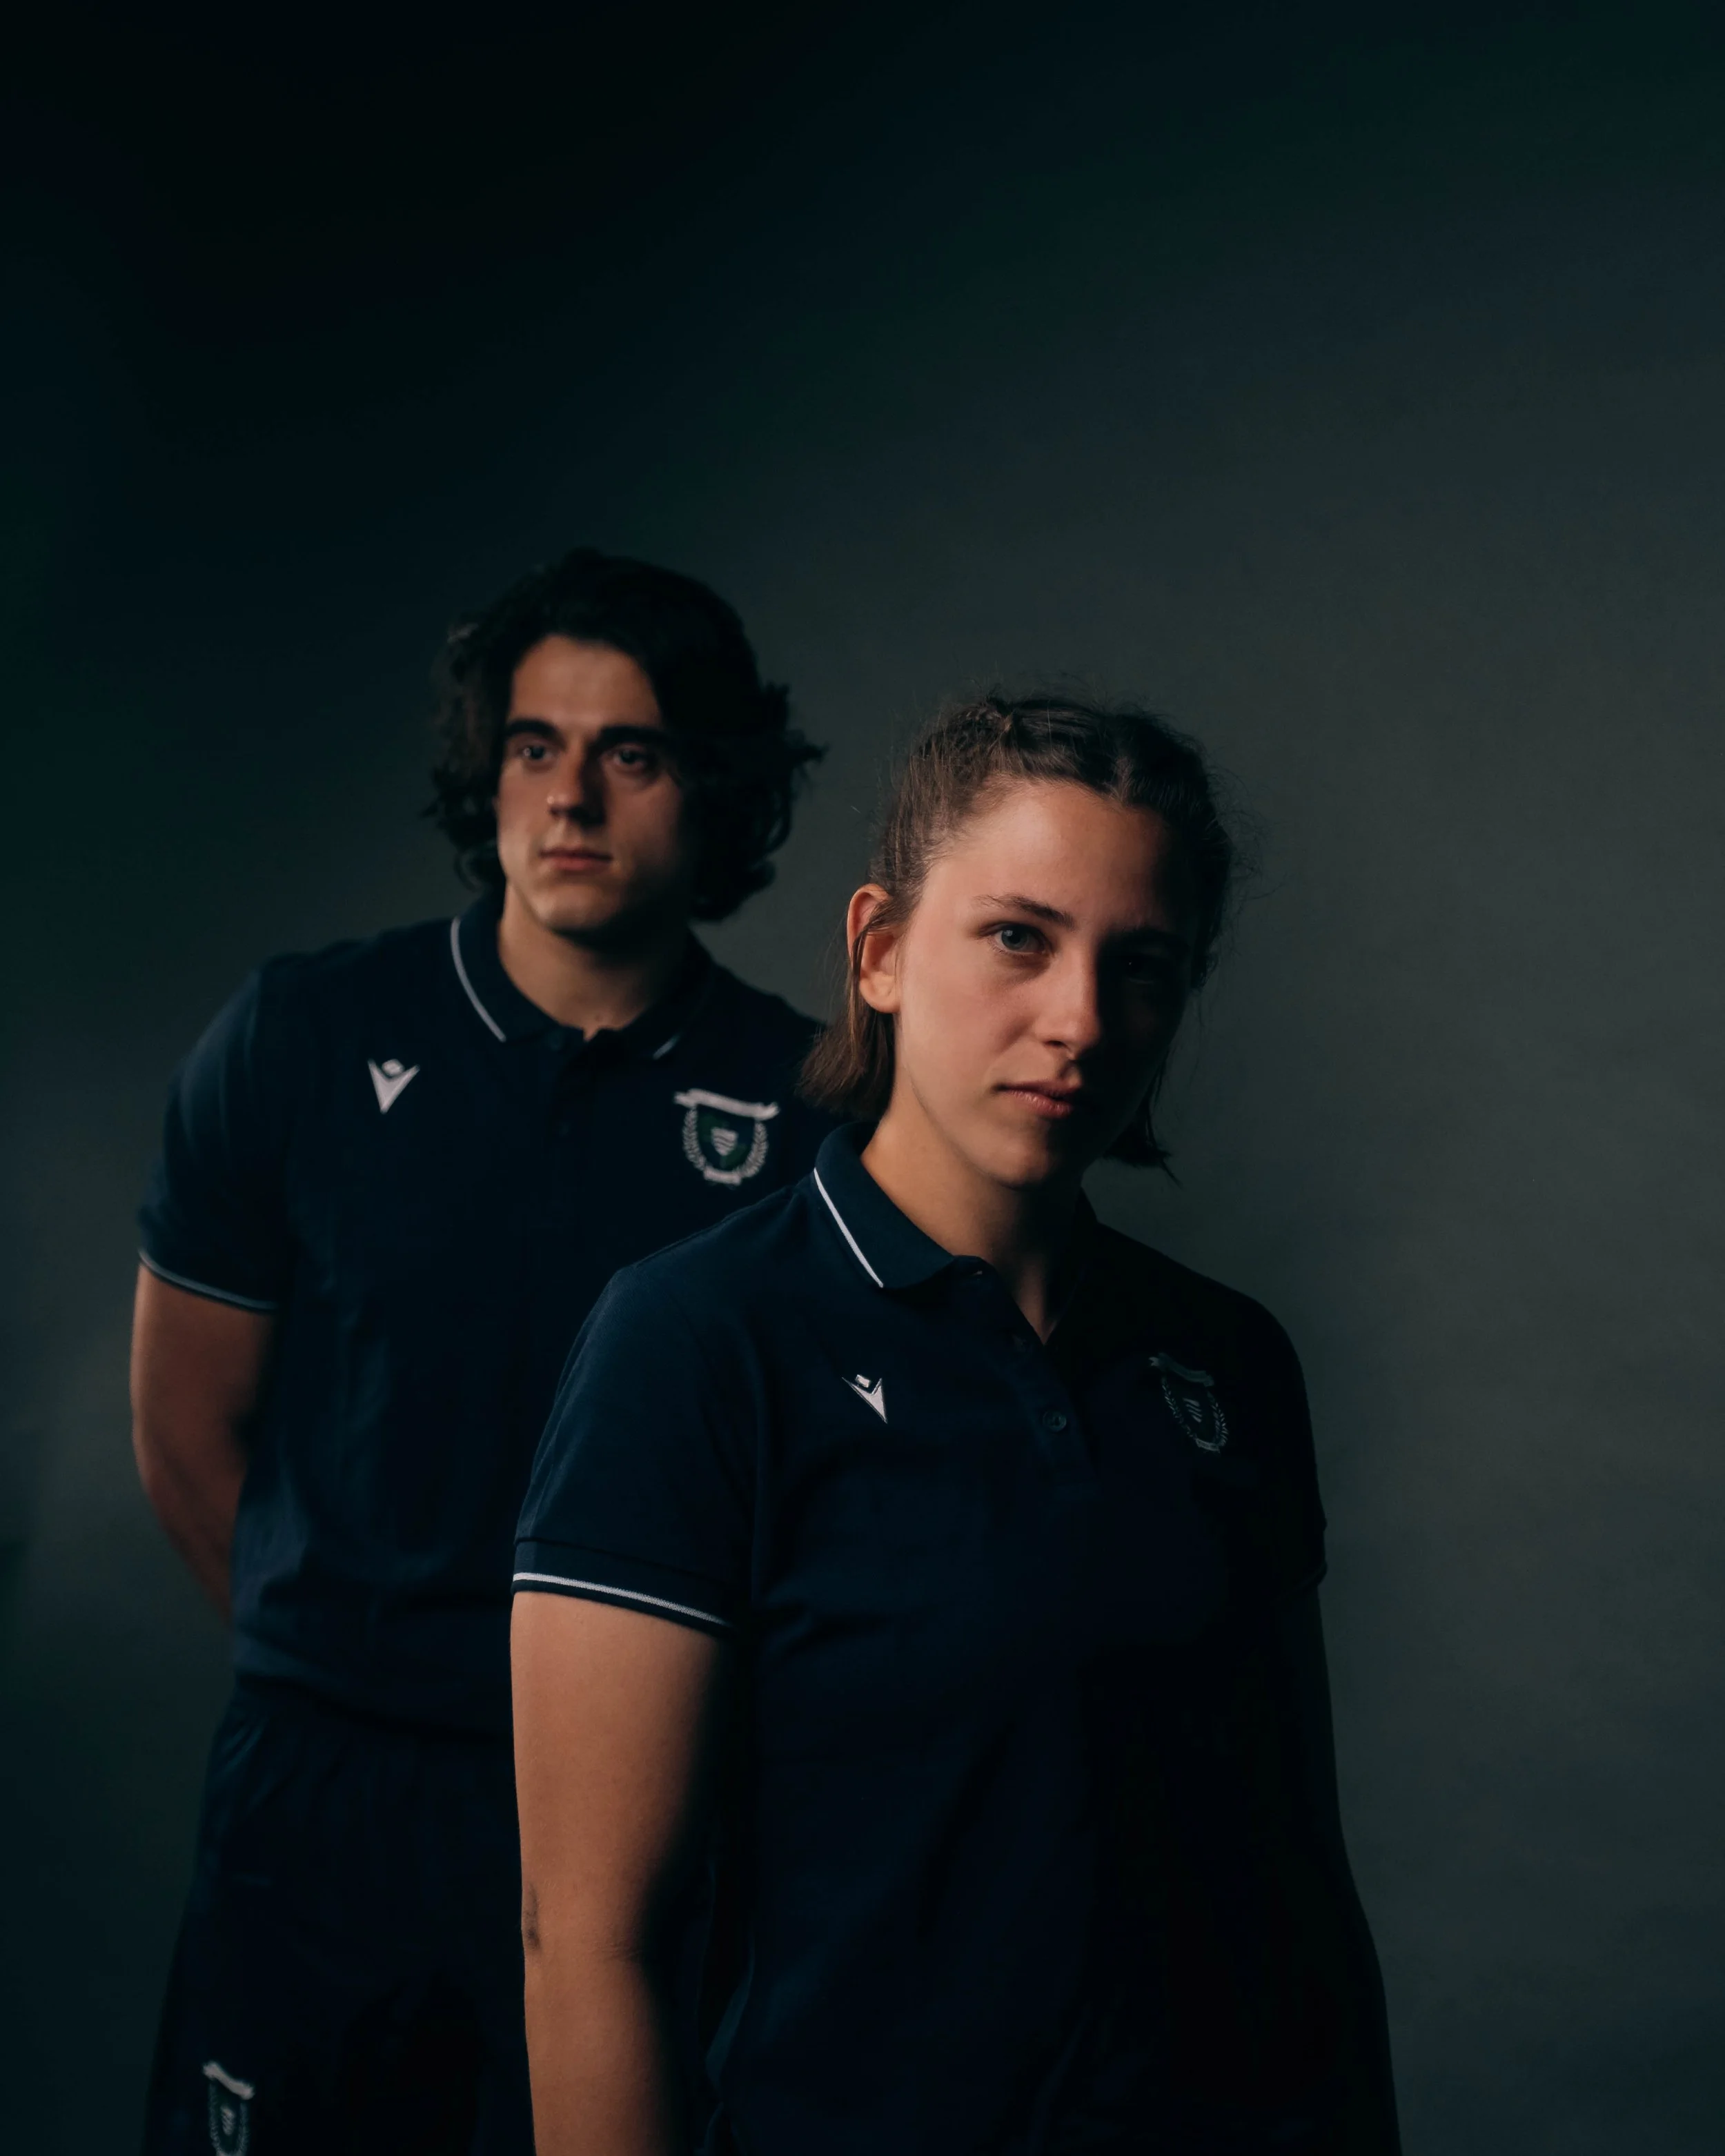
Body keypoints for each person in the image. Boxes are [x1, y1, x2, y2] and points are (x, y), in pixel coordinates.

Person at [512, 692, 1402, 2155]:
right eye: (1017, 936)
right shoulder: (697, 1340)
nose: (1078, 1019)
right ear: (877, 949)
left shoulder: (1226, 1360)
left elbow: (1301, 1883)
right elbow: (588, 1934)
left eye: (1142, 965)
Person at [132, 548, 833, 2155]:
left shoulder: (808, 1107)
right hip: (323, 1797)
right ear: (487, 771)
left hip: (640, 1822)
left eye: (630, 751)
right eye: (534, 744)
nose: (571, 795)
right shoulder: (301, 1037)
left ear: (709, 786)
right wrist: (360, 1669)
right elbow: (188, 1436)